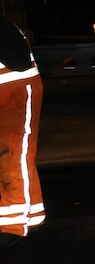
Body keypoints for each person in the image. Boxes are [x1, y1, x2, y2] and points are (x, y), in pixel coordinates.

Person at [0, 16, 44, 247]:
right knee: (12, 158)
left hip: (16, 92)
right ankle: (32, 215)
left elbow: (18, 60)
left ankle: (12, 227)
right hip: (7, 90)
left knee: (14, 158)